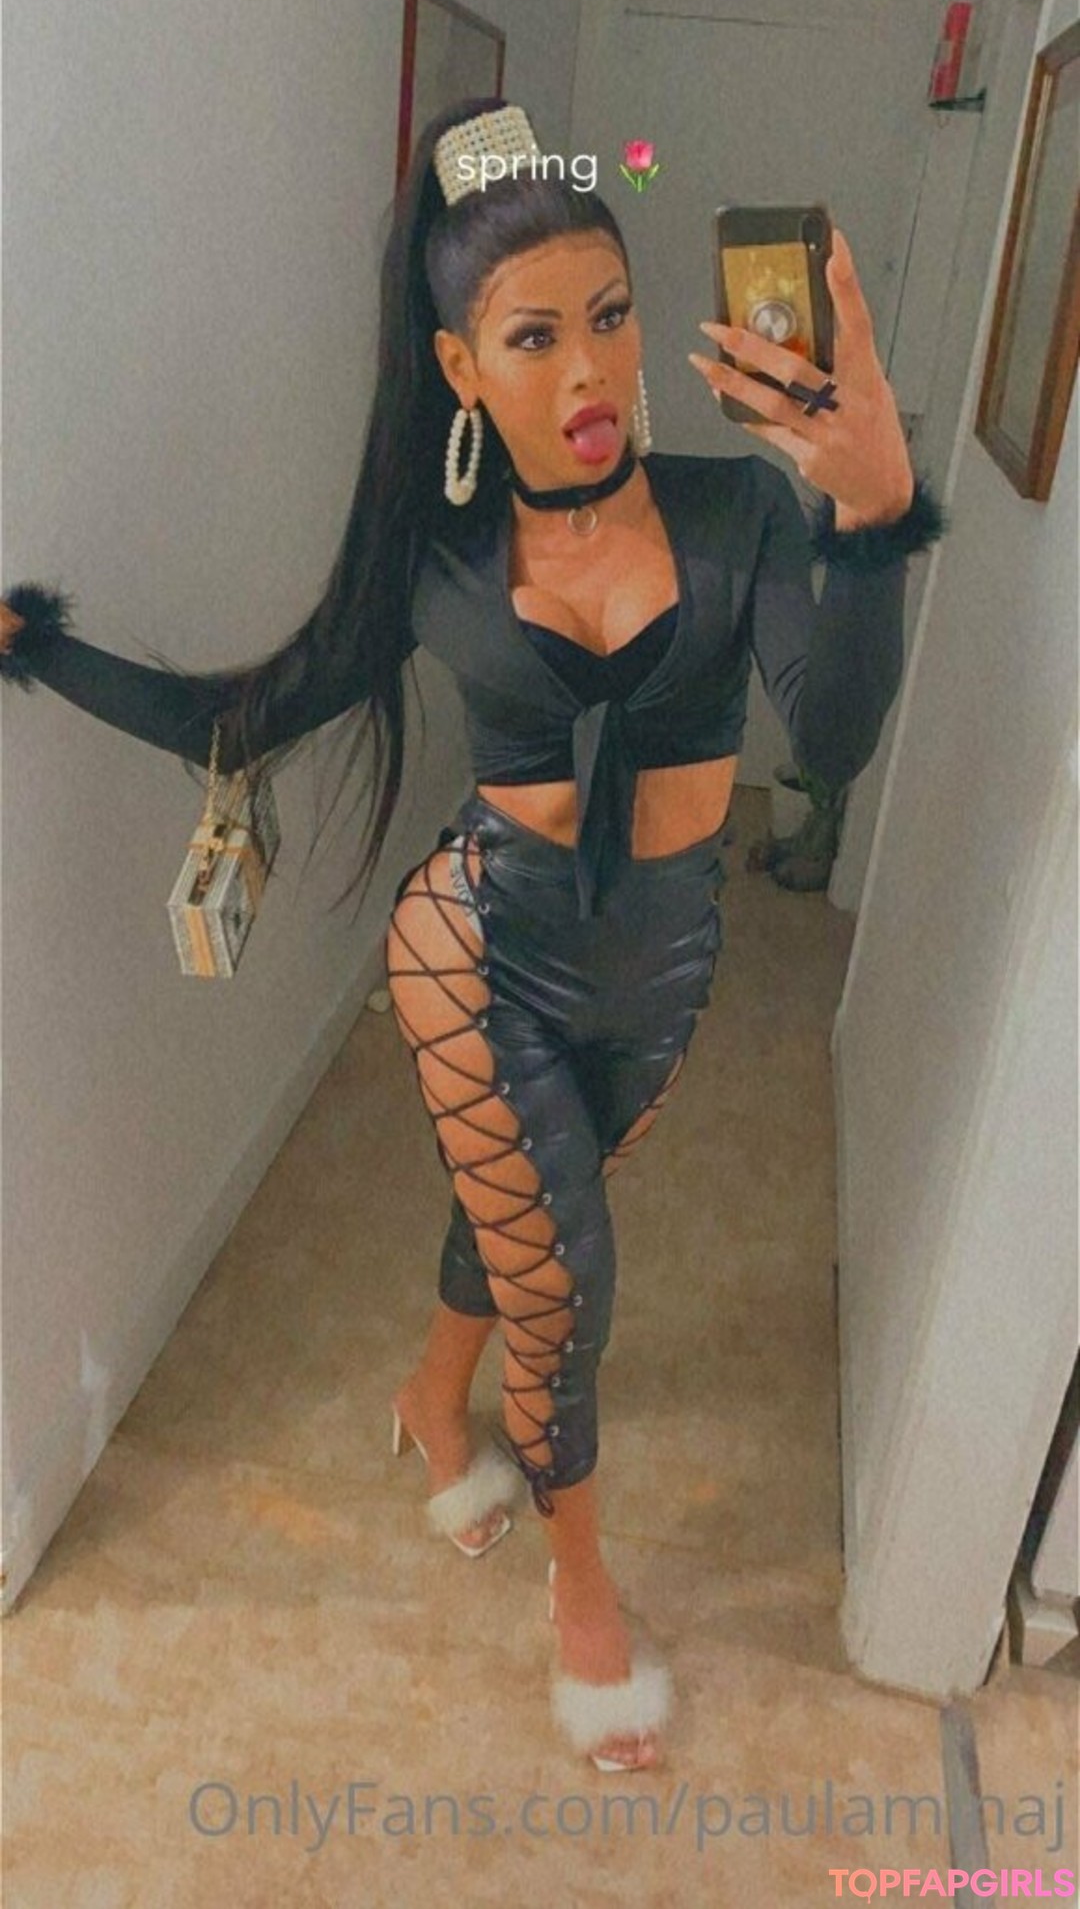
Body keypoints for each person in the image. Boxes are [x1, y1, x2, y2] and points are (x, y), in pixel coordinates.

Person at [1, 97, 946, 1772]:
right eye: (533, 336)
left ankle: (431, 1399)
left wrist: (870, 525)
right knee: (564, 1275)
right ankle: (586, 1600)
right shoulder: (433, 559)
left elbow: (836, 736)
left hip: (661, 969)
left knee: (518, 1218)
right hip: (478, 947)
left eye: (610, 317)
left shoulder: (735, 513)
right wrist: (36, 646)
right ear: (459, 368)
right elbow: (244, 718)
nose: (587, 369)